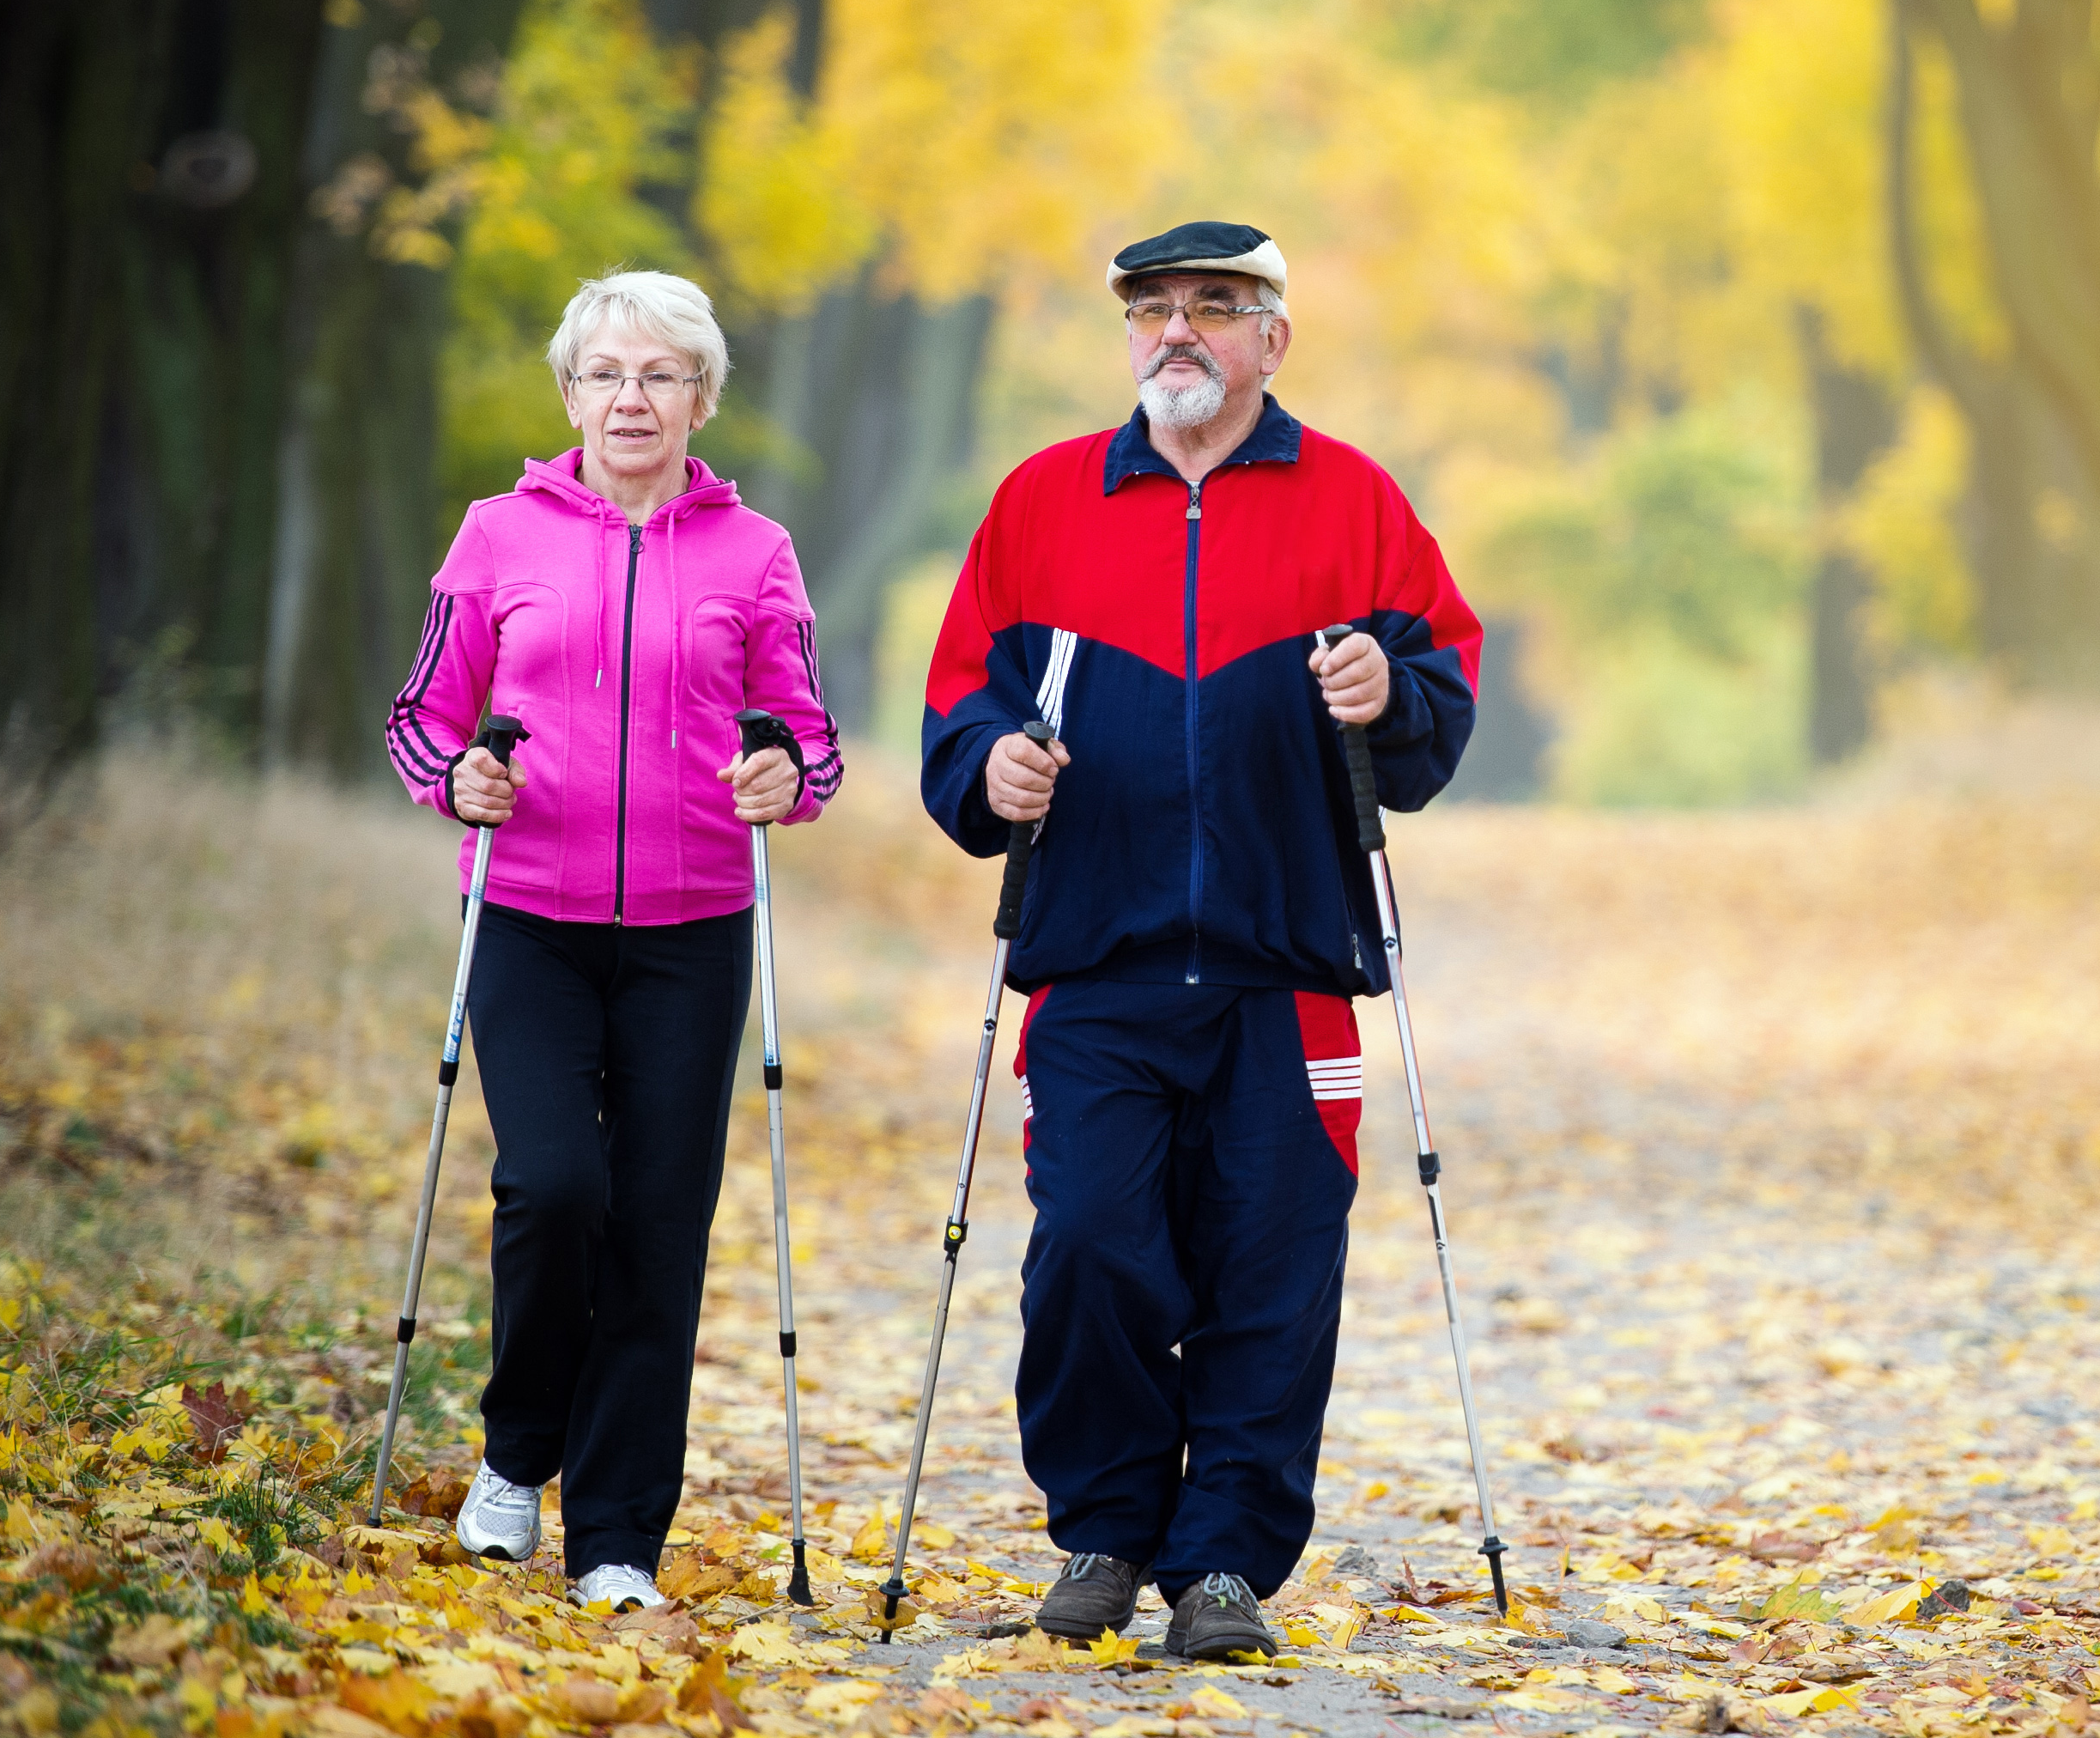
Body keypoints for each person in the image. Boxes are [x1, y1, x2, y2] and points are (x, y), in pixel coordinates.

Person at [920, 219, 1481, 1662]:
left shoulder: (1354, 501)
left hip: (1286, 969)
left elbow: (1441, 695)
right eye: (1155, 309)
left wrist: (1385, 690)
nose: (1181, 331)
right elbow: (959, 703)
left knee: (1273, 1270)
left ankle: (1224, 1562)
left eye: (1216, 308)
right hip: (1095, 965)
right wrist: (988, 768)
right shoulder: (1044, 501)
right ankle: (1104, 1534)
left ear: (1271, 338)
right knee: (1094, 1251)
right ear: (1128, 336)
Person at [384, 269, 843, 1612]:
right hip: (527, 914)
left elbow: (805, 736)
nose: (631, 399)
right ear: (570, 392)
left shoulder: (754, 552)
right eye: (606, 374)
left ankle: (620, 1540)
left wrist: (785, 781)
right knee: (553, 1190)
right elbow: (423, 716)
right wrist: (458, 779)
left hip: (695, 932)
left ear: (703, 397)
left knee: (656, 1226)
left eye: (660, 376)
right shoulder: (495, 534)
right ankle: (517, 1457)